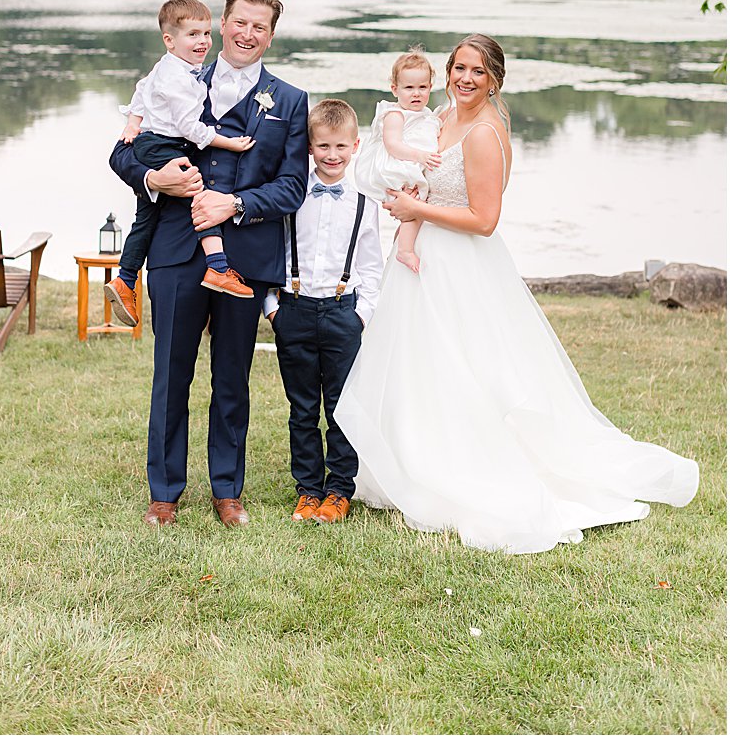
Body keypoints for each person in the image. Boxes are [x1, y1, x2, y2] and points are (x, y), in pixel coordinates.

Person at [336, 35, 699, 554]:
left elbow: (484, 220)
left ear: (495, 81)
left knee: (471, 367)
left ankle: (470, 469)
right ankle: (417, 462)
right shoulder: (441, 115)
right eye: (458, 68)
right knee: (425, 365)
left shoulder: (484, 133)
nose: (464, 79)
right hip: (423, 258)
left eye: (477, 73)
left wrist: (418, 212)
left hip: (462, 261)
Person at [109, 0, 309, 528]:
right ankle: (164, 494)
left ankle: (228, 490)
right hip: (175, 252)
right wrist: (155, 178)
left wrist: (236, 204)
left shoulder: (289, 101)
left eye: (259, 27)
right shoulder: (173, 73)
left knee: (232, 378)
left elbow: (293, 187)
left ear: (270, 36)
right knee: (171, 375)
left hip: (242, 260)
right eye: (239, 22)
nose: (247, 34)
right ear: (223, 24)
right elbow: (122, 152)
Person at [262, 99, 382, 525]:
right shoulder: (292, 196)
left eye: (340, 147)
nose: (332, 155)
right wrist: (272, 308)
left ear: (355, 145)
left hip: (342, 313)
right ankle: (308, 489)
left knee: (340, 406)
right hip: (292, 309)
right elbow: (271, 254)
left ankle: (339, 490)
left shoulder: (365, 205)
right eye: (323, 146)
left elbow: (371, 267)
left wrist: (360, 315)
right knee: (301, 407)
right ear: (310, 148)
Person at [104, 0, 258, 326]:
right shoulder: (176, 75)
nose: (202, 41)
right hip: (162, 147)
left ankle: (126, 279)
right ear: (169, 40)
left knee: (142, 222)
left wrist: (134, 117)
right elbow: (189, 128)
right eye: (193, 35)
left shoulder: (170, 66)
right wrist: (229, 143)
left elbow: (142, 87)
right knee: (198, 189)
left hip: (152, 142)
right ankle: (218, 267)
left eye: (205, 33)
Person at [354, 49, 441, 273]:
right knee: (418, 201)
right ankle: (404, 250)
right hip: (397, 166)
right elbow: (393, 145)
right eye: (409, 88)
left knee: (420, 204)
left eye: (422, 87)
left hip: (411, 163)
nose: (416, 94)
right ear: (395, 89)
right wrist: (420, 156)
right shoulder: (395, 114)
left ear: (430, 87)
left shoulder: (426, 114)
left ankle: (403, 246)